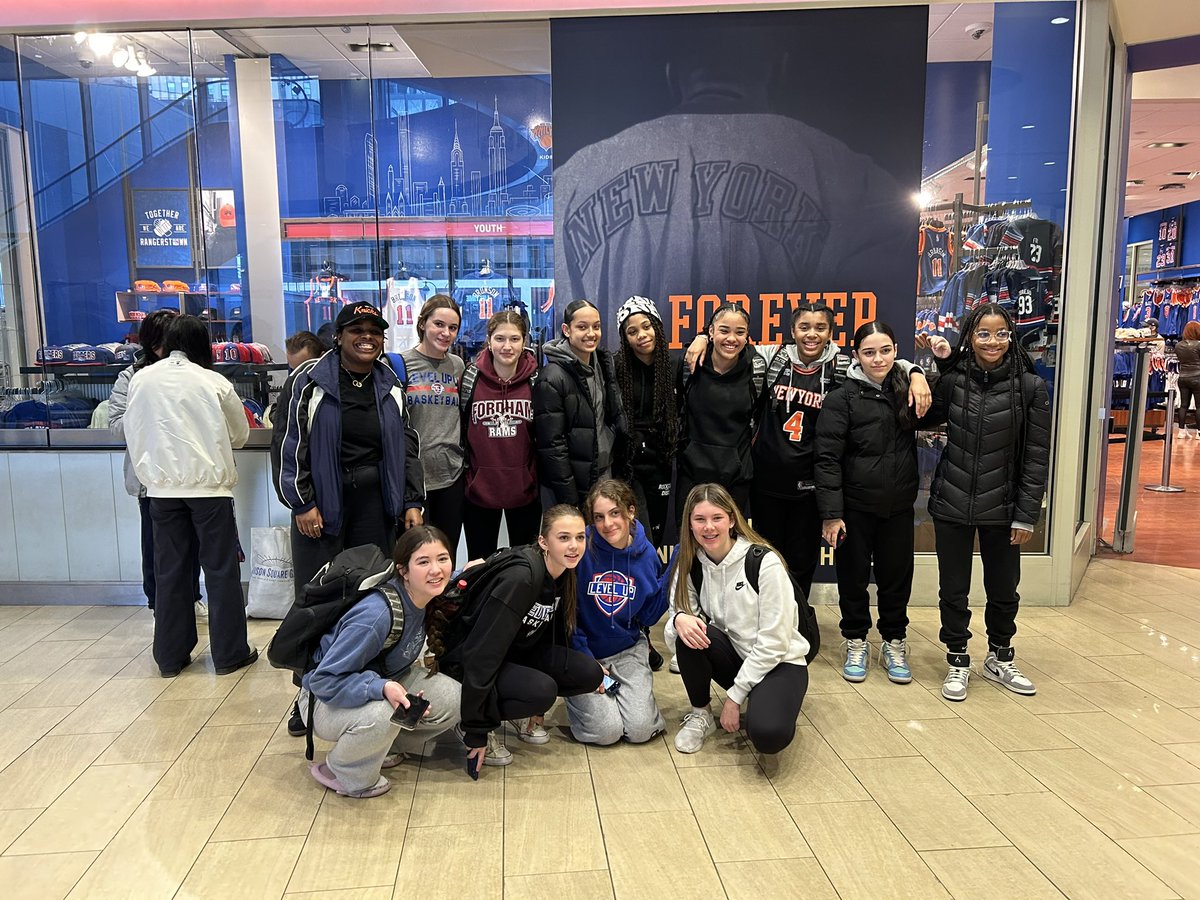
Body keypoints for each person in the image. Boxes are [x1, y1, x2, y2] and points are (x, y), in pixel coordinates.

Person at [686, 302, 930, 601]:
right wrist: (701, 335)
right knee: (766, 560)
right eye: (804, 327)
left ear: (830, 333)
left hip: (813, 482)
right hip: (769, 480)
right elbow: (730, 343)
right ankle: (766, 619)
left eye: (820, 328)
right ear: (792, 331)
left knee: (802, 562)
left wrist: (915, 370)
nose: (811, 334)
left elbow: (882, 365)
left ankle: (798, 623)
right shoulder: (771, 357)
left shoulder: (842, 367)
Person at [918, 303, 1051, 702]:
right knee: (953, 589)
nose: (992, 342)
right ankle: (958, 659)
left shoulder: (1030, 387)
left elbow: (1036, 455)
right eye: (983, 334)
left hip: (1005, 506)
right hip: (952, 501)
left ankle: (1000, 656)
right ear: (970, 338)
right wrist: (938, 368)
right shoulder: (953, 380)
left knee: (1004, 588)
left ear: (1010, 337)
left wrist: (1026, 516)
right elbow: (927, 418)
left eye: (1000, 334)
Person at [426, 505, 605, 774]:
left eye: (580, 537)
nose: (574, 546)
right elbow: (480, 652)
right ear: (543, 541)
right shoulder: (521, 579)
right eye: (564, 537)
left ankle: (514, 706)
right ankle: (468, 719)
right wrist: (477, 730)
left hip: (512, 651)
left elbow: (549, 632)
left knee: (589, 673)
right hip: (467, 661)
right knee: (542, 691)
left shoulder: (563, 573)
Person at [123, 315, 254, 678]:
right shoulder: (213, 381)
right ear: (203, 344)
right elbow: (240, 434)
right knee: (221, 572)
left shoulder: (142, 380)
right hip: (210, 491)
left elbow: (131, 429)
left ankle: (170, 656)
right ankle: (229, 654)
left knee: (170, 573)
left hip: (160, 491)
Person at [272, 301, 425, 596]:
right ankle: (318, 645)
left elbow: (406, 446)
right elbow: (288, 444)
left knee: (372, 585)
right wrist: (302, 503)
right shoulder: (309, 380)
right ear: (339, 336)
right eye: (356, 330)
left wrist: (411, 500)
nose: (366, 337)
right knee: (318, 590)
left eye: (374, 332)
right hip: (321, 502)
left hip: (376, 504)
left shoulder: (390, 383)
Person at [302, 526, 463, 799]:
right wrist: (380, 688)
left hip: (383, 680)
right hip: (323, 699)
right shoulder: (376, 615)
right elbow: (324, 680)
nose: (436, 570)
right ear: (403, 570)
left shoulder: (426, 593)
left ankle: (383, 746)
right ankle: (341, 769)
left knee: (453, 697)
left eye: (443, 559)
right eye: (423, 562)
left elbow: (456, 576)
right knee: (382, 714)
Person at [814, 320, 921, 685]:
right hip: (855, 509)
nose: (878, 359)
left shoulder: (907, 388)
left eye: (886, 350)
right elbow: (826, 458)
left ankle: (894, 641)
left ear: (896, 350)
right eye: (869, 352)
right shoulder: (842, 397)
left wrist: (918, 372)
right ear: (856, 355)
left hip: (898, 508)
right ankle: (856, 640)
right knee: (853, 579)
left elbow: (947, 394)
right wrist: (831, 514)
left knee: (896, 579)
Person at [670, 483, 809, 756]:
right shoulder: (690, 562)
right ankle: (701, 714)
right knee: (688, 631)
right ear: (690, 524)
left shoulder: (763, 562)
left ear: (732, 520)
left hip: (780, 663)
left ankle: (769, 701)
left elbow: (775, 642)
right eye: (700, 519)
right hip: (736, 657)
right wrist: (678, 618)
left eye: (717, 518)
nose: (708, 527)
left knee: (768, 735)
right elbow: (677, 616)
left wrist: (734, 696)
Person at [109, 308, 201, 614]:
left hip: (191, 474)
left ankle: (192, 597)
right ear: (151, 344)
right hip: (151, 480)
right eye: (166, 342)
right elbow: (116, 426)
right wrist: (151, 410)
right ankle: (157, 603)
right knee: (156, 546)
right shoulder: (133, 378)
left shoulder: (193, 374)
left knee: (194, 543)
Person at [566, 479, 668, 745]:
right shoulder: (581, 547)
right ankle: (578, 696)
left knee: (640, 730)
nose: (607, 524)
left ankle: (627, 701)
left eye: (615, 513)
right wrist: (586, 660)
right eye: (599, 517)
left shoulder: (647, 556)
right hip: (583, 650)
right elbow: (567, 613)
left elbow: (646, 617)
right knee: (606, 732)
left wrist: (672, 574)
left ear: (631, 511)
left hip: (627, 648)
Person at [461, 310, 542, 559]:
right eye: (500, 339)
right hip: (479, 491)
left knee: (523, 564)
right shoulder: (470, 377)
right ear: (489, 340)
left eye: (514, 339)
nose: (507, 346)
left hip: (524, 491)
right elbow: (462, 430)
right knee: (479, 564)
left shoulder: (536, 380)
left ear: (525, 341)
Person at [533, 299, 626, 506]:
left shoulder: (603, 364)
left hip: (604, 474)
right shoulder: (551, 377)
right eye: (582, 327)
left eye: (596, 326)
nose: (591, 334)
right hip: (568, 487)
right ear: (567, 330)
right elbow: (552, 446)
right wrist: (570, 498)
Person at [675, 302, 763, 516]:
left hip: (736, 478)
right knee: (688, 543)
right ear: (711, 331)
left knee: (728, 546)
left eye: (739, 332)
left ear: (747, 335)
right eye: (724, 330)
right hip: (692, 474)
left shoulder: (758, 368)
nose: (731, 339)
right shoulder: (689, 364)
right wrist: (700, 337)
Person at [402, 295, 466, 562]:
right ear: (422, 323)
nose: (445, 333)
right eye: (438, 324)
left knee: (445, 556)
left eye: (452, 328)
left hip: (451, 476)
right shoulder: (399, 364)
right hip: (416, 481)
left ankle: (443, 605)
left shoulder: (458, 366)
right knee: (416, 558)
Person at [613, 296, 680, 548]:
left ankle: (652, 585)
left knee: (657, 533)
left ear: (657, 327)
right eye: (632, 331)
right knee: (638, 535)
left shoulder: (675, 365)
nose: (641, 335)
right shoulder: (616, 366)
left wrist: (702, 337)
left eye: (646, 326)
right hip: (629, 465)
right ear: (625, 339)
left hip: (661, 462)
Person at [1174, 320, 1200, 439]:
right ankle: (1199, 433)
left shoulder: (1179, 345)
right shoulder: (1199, 344)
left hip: (1183, 377)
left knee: (1184, 405)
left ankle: (1181, 431)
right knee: (1199, 407)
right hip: (1197, 377)